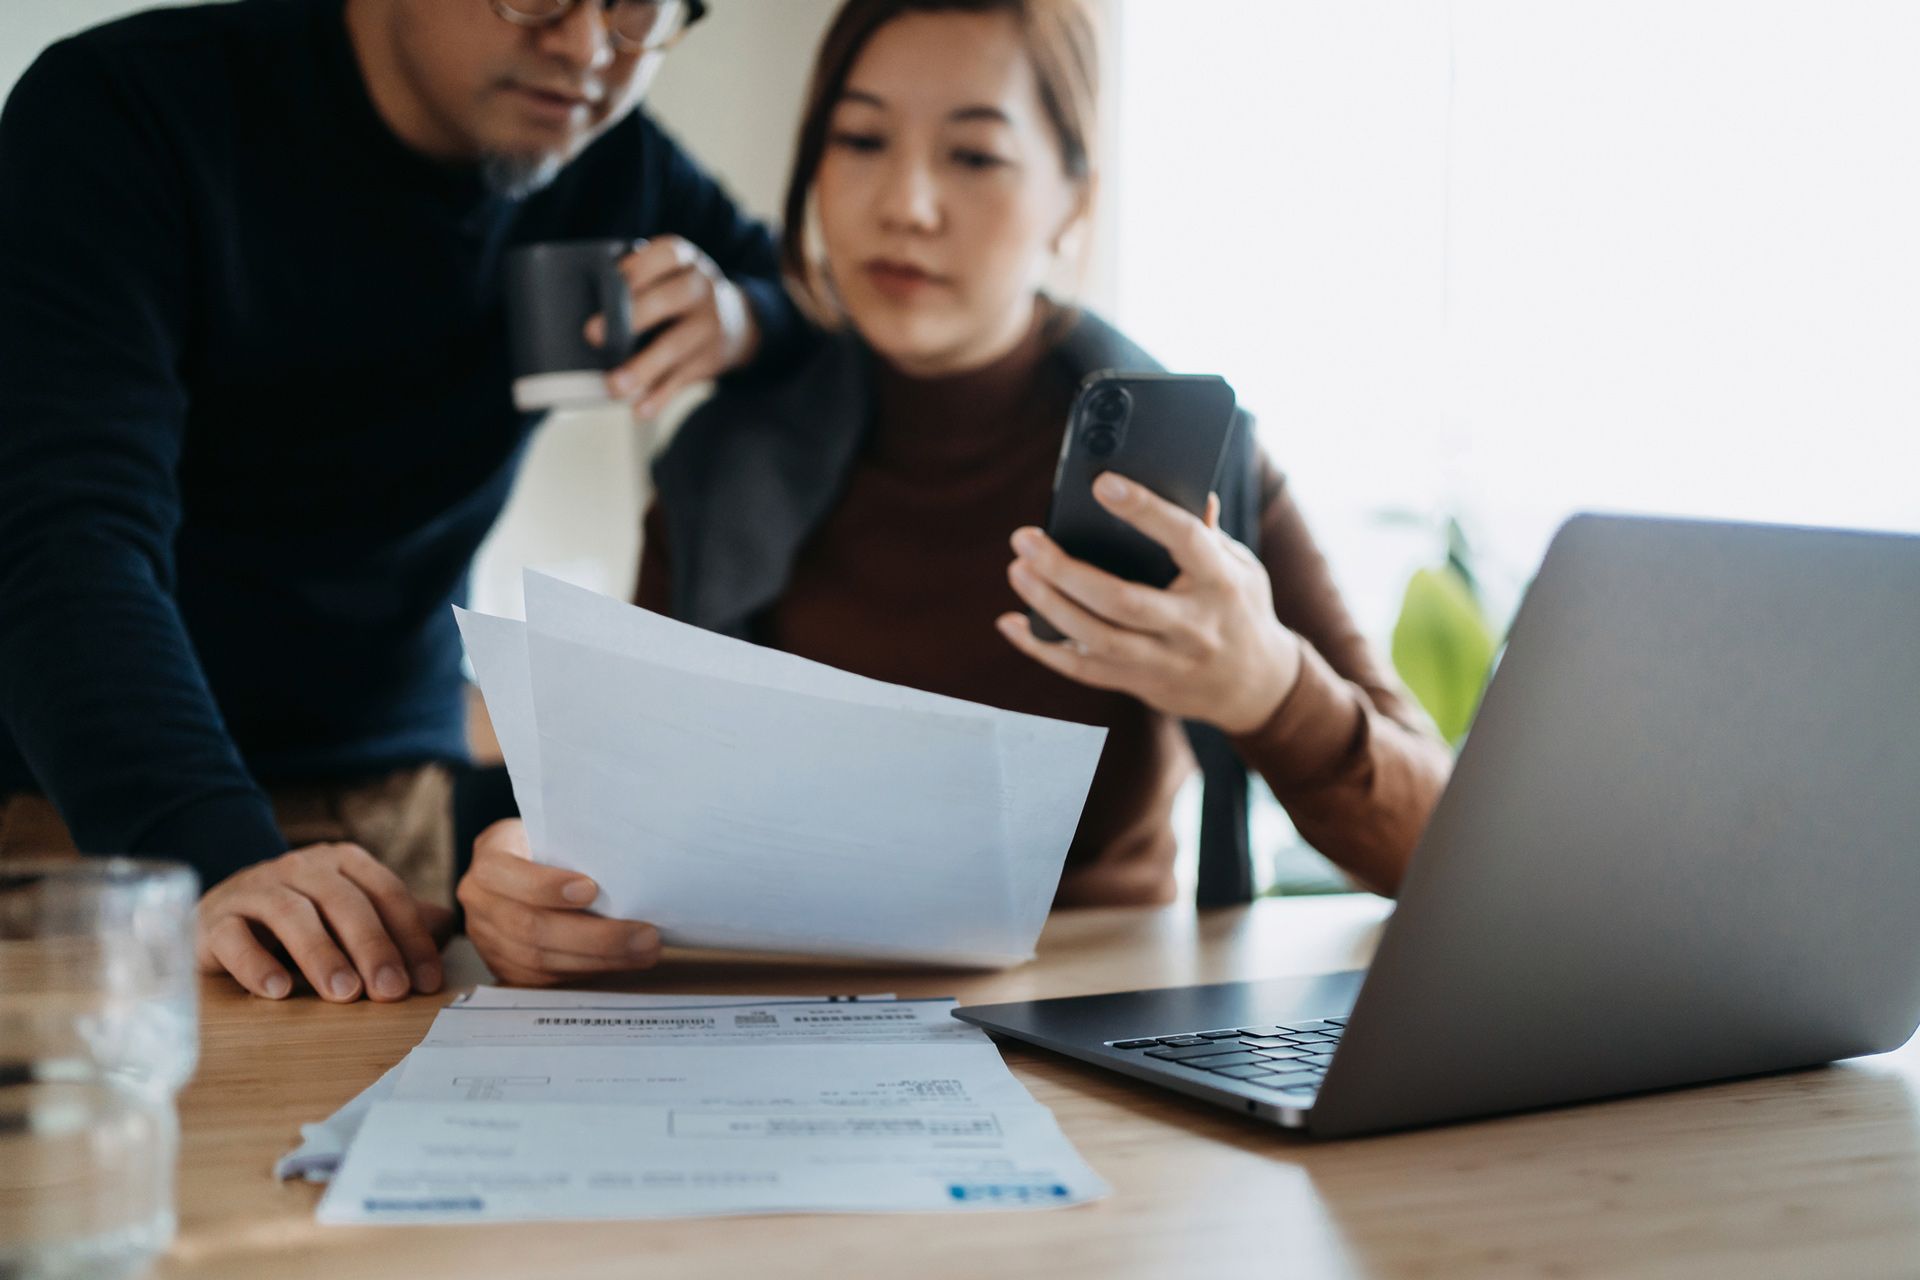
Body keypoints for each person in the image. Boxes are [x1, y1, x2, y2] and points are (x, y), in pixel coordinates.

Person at [456, 0, 1452, 987]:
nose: (907, 204)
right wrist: (526, 874)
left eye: (974, 155)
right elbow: (624, 817)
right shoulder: (720, 464)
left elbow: (1436, 852)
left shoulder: (1188, 465)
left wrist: (1272, 688)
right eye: (860, 140)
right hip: (798, 1027)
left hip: (1102, 1025)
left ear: (1075, 198)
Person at [0, 0, 807, 1003]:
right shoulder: (129, 111)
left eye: (639, 8)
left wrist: (750, 318)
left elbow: (812, 294)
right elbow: (65, 530)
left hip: (392, 812)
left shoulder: (614, 164)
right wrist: (203, 843)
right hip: (88, 807)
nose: (588, 48)